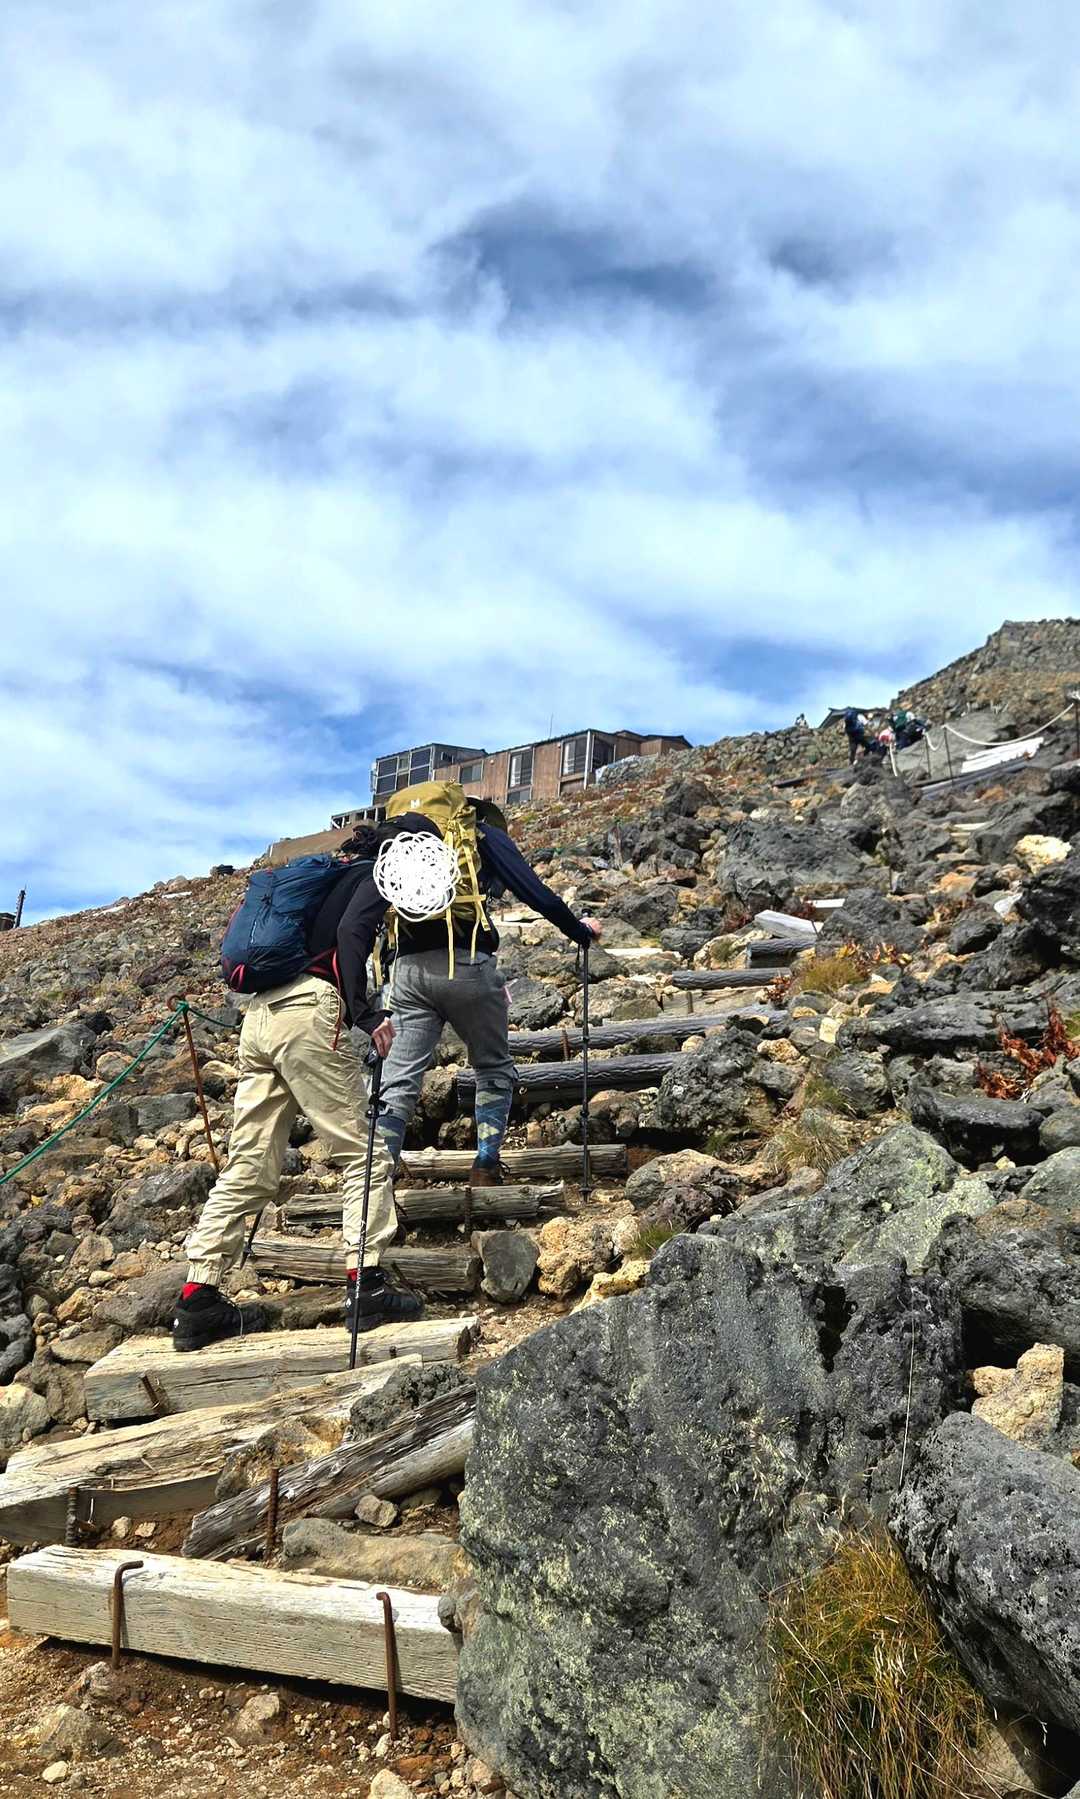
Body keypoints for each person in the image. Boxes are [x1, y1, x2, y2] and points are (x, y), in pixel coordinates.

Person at [172, 852, 420, 1354]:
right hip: (309, 1010)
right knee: (363, 1153)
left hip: (259, 1016)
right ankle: (366, 1285)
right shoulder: (375, 873)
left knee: (249, 1165)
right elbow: (351, 934)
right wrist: (366, 1014)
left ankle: (198, 1299)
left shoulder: (320, 881)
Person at [333, 806, 601, 1186]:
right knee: (492, 1066)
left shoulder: (397, 846)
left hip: (407, 973)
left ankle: (376, 1184)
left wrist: (359, 1007)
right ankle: (486, 1166)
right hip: (468, 964)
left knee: (397, 1084)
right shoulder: (480, 836)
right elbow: (534, 892)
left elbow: (352, 925)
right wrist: (579, 931)